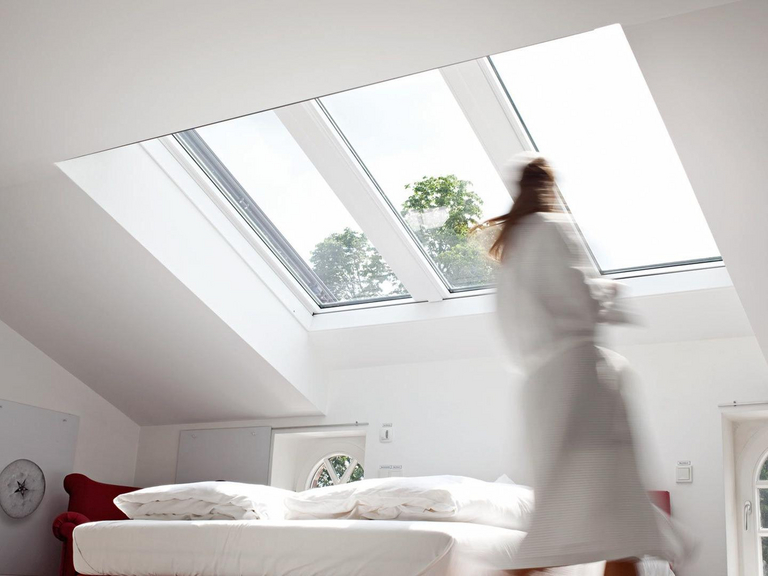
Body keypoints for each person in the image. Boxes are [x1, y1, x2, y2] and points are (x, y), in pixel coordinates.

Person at [484, 155, 684, 576]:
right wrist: (607, 293)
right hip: (580, 384)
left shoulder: (512, 250)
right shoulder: (553, 229)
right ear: (550, 188)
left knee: (566, 513)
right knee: (620, 522)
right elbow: (580, 302)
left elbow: (512, 329)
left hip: (540, 388)